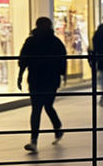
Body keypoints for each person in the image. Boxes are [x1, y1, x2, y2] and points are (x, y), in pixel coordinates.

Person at [17, 17, 67, 153]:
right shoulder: (55, 41)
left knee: (39, 108)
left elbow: (23, 59)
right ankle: (54, 129)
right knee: (44, 106)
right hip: (49, 78)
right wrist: (63, 74)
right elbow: (62, 59)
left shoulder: (32, 41)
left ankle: (36, 140)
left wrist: (20, 75)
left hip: (37, 78)